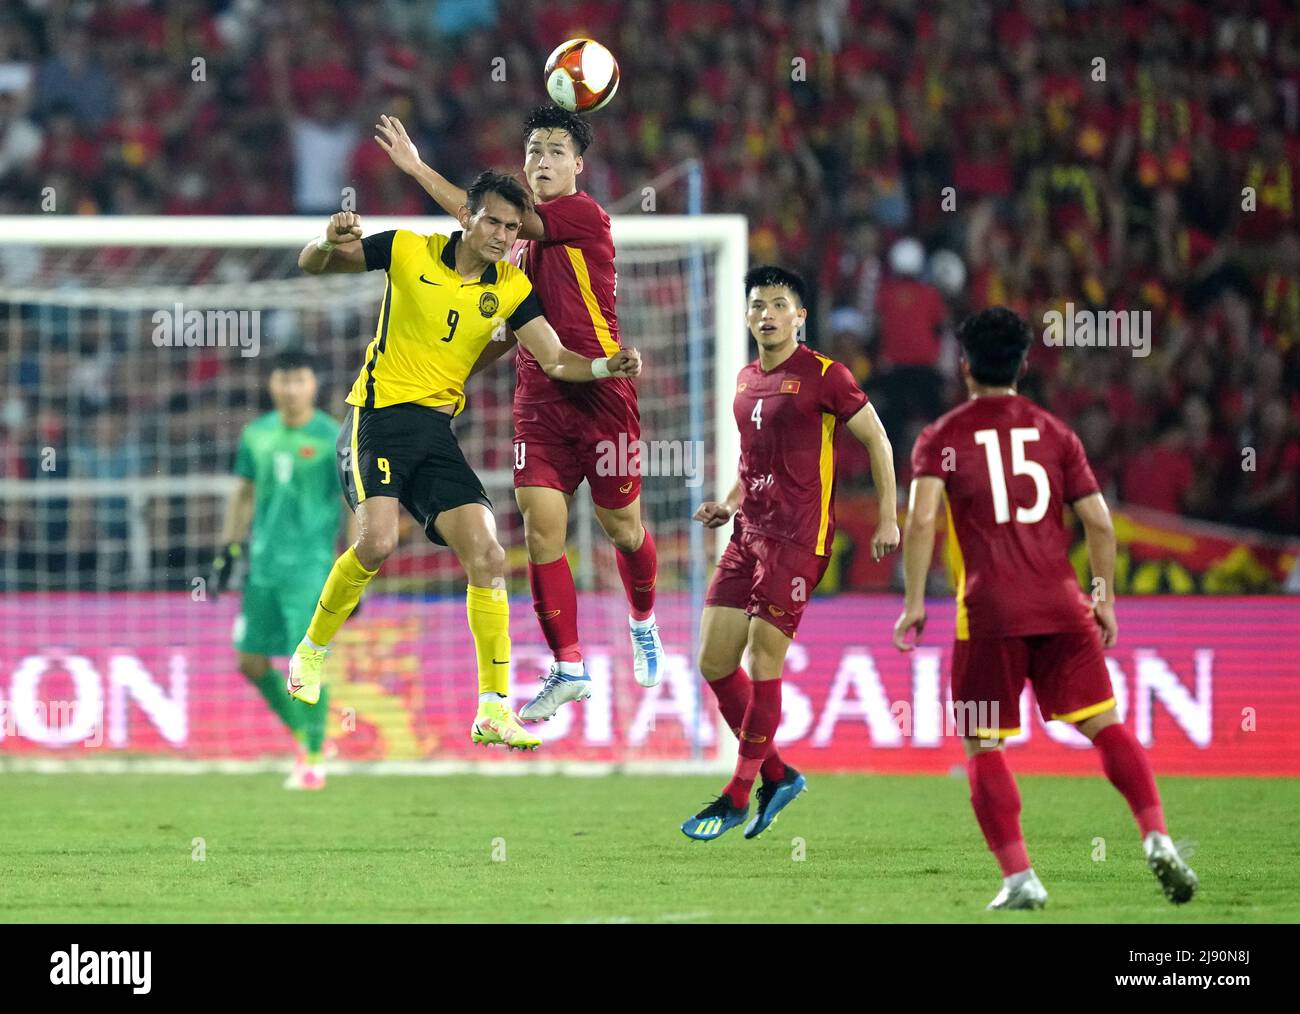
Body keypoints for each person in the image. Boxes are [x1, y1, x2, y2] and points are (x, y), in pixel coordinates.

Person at [286, 172, 641, 752]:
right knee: (376, 542)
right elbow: (313, 265)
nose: (503, 235)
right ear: (467, 217)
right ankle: (311, 652)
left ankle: (494, 709)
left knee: (489, 552)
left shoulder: (511, 288)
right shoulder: (405, 249)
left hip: (434, 430)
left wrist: (607, 367)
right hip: (376, 416)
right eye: (494, 222)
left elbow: (555, 360)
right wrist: (327, 240)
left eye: (511, 226)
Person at [894, 306, 1198, 909]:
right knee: (1104, 725)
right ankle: (1158, 835)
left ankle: (1020, 878)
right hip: (1063, 608)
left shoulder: (943, 437)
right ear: (1025, 365)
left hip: (988, 614)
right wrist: (1103, 600)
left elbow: (923, 516)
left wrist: (911, 603)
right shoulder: (1056, 433)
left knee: (983, 744)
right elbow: (1100, 525)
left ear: (964, 367)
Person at [374, 108, 663, 724]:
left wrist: (416, 166)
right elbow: (511, 335)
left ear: (578, 166)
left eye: (557, 151)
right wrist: (453, 376)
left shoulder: (580, 217)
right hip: (541, 398)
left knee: (624, 530)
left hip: (603, 390)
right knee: (539, 533)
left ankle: (642, 619)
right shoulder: (514, 257)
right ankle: (569, 667)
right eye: (533, 150)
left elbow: (475, 220)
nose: (541, 161)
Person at [681, 265, 900, 841]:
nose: (767, 315)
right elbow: (751, 462)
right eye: (758, 306)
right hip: (747, 533)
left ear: (800, 316)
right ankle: (776, 775)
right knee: (713, 661)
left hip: (799, 540)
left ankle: (736, 792)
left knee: (763, 657)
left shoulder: (827, 375)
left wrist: (889, 516)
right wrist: (729, 504)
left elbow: (877, 439)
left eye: (779, 305)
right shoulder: (745, 379)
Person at [211, 350, 343, 788]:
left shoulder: (333, 436)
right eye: (283, 381)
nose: (291, 389)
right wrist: (228, 548)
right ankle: (309, 737)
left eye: (299, 380)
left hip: (310, 567)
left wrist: (357, 567)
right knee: (249, 661)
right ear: (272, 385)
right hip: (262, 567)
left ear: (313, 384)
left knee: (303, 665)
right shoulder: (256, 434)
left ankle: (313, 756)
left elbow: (354, 497)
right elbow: (244, 493)